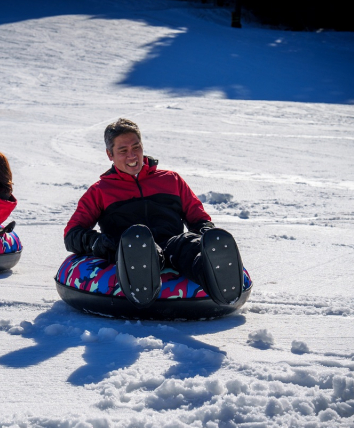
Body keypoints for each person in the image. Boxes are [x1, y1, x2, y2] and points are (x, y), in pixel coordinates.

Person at [64, 118, 244, 309]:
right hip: (130, 246)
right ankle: (140, 286)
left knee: (188, 245)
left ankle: (220, 283)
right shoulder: (100, 191)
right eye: (123, 151)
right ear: (110, 154)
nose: (132, 156)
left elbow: (197, 216)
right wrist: (98, 242)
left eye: (136, 147)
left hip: (171, 242)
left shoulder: (171, 180)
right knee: (140, 246)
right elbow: (72, 234)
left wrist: (206, 233)